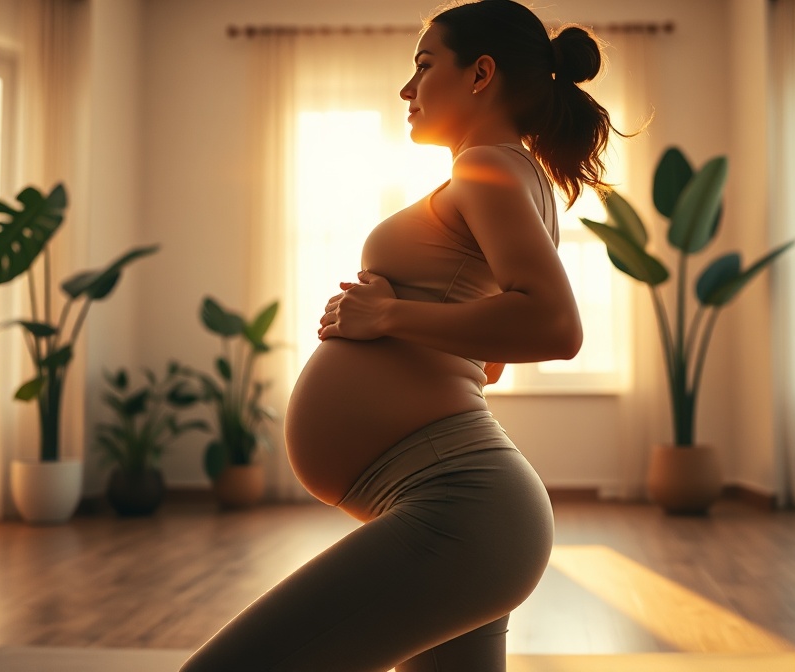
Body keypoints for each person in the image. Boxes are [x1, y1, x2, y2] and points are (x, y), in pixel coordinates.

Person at [180, 1, 621, 670]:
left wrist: (387, 317)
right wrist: (409, 314)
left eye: (422, 66)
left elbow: (555, 327)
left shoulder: (488, 171)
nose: (406, 90)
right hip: (467, 513)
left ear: (481, 73)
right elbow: (493, 359)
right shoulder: (509, 174)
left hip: (460, 508)